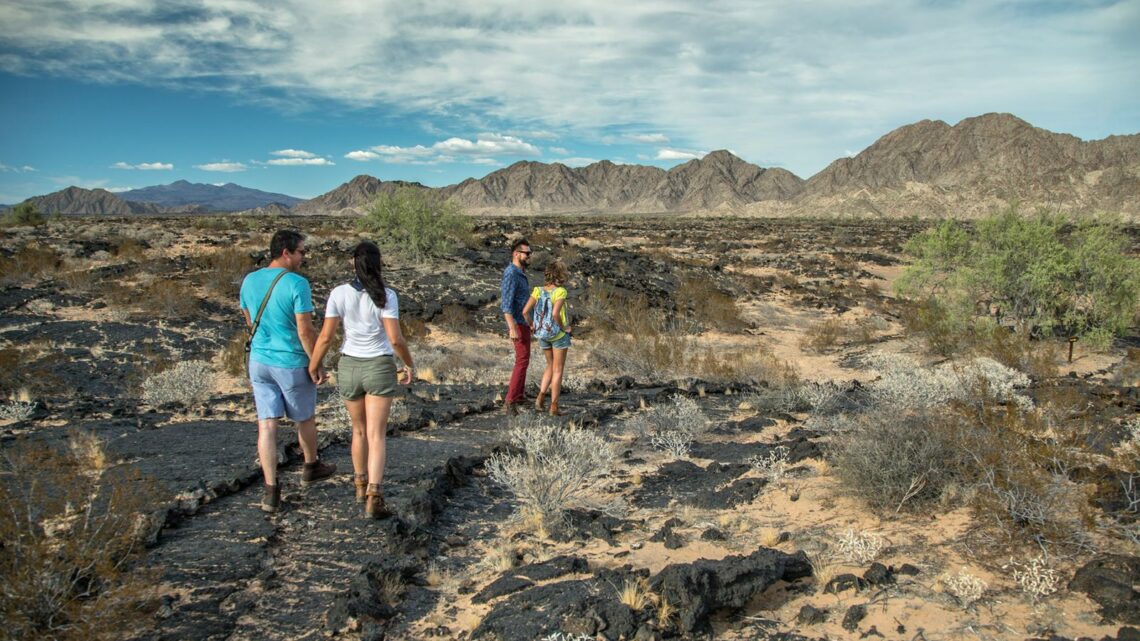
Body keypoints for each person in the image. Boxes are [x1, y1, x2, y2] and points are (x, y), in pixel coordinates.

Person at [309, 241, 414, 519]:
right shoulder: (386, 295)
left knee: (358, 430)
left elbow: (326, 337)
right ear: (378, 264)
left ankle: (359, 485)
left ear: (352, 263)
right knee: (377, 434)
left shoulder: (338, 293)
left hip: (349, 366)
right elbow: (395, 338)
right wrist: (408, 362)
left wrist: (314, 364)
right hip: (379, 365)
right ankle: (374, 496)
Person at [239, 229, 336, 513]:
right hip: (291, 362)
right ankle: (311, 465)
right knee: (304, 417)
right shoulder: (297, 283)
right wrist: (315, 362)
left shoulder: (249, 280)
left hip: (259, 362)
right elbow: (305, 331)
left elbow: (248, 319)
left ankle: (271, 489)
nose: (304, 257)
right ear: (286, 252)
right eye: (301, 252)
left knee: (267, 424)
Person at [522, 260, 572, 416]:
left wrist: (532, 325)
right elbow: (556, 314)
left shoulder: (537, 290)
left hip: (542, 334)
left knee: (550, 365)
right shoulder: (560, 292)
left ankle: (540, 398)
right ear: (560, 275)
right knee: (558, 370)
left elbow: (525, 312)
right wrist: (565, 328)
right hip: (557, 335)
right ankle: (554, 407)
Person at [500, 238, 532, 415]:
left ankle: (519, 395)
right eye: (526, 253)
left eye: (530, 253)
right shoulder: (511, 273)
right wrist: (511, 327)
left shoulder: (520, 272)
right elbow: (506, 303)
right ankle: (510, 400)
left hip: (524, 322)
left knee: (525, 359)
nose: (529, 256)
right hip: (518, 323)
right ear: (516, 254)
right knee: (521, 360)